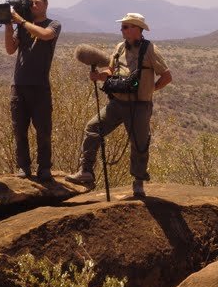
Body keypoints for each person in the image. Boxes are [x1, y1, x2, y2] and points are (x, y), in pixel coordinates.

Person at [65, 13, 172, 197]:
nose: (121, 30)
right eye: (122, 27)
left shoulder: (150, 50)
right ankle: (86, 172)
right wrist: (100, 75)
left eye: (125, 27)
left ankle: (138, 183)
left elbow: (167, 76)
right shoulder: (119, 47)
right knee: (93, 128)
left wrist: (150, 90)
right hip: (118, 103)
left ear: (136, 29)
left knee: (139, 144)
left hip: (139, 106)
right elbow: (111, 69)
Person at [4, 0, 61, 182]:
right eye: (31, 3)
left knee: (43, 130)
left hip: (40, 85)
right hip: (19, 84)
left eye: (37, 3)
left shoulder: (53, 24)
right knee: (19, 129)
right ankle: (23, 166)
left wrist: (21, 22)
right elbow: (10, 49)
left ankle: (44, 168)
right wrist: (8, 25)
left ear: (46, 5)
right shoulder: (22, 26)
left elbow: (44, 35)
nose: (33, 6)